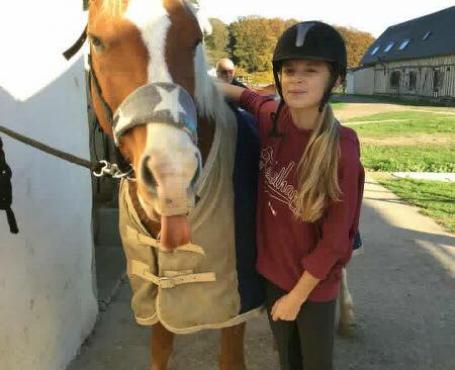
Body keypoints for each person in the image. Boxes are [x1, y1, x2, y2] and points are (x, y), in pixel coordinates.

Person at [219, 21, 364, 370]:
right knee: (287, 361)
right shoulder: (273, 118)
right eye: (289, 70)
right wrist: (193, 83)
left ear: (336, 80)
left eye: (311, 71)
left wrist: (296, 298)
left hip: (313, 287)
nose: (296, 79)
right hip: (272, 275)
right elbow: (246, 96)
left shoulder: (342, 147)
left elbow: (335, 242)